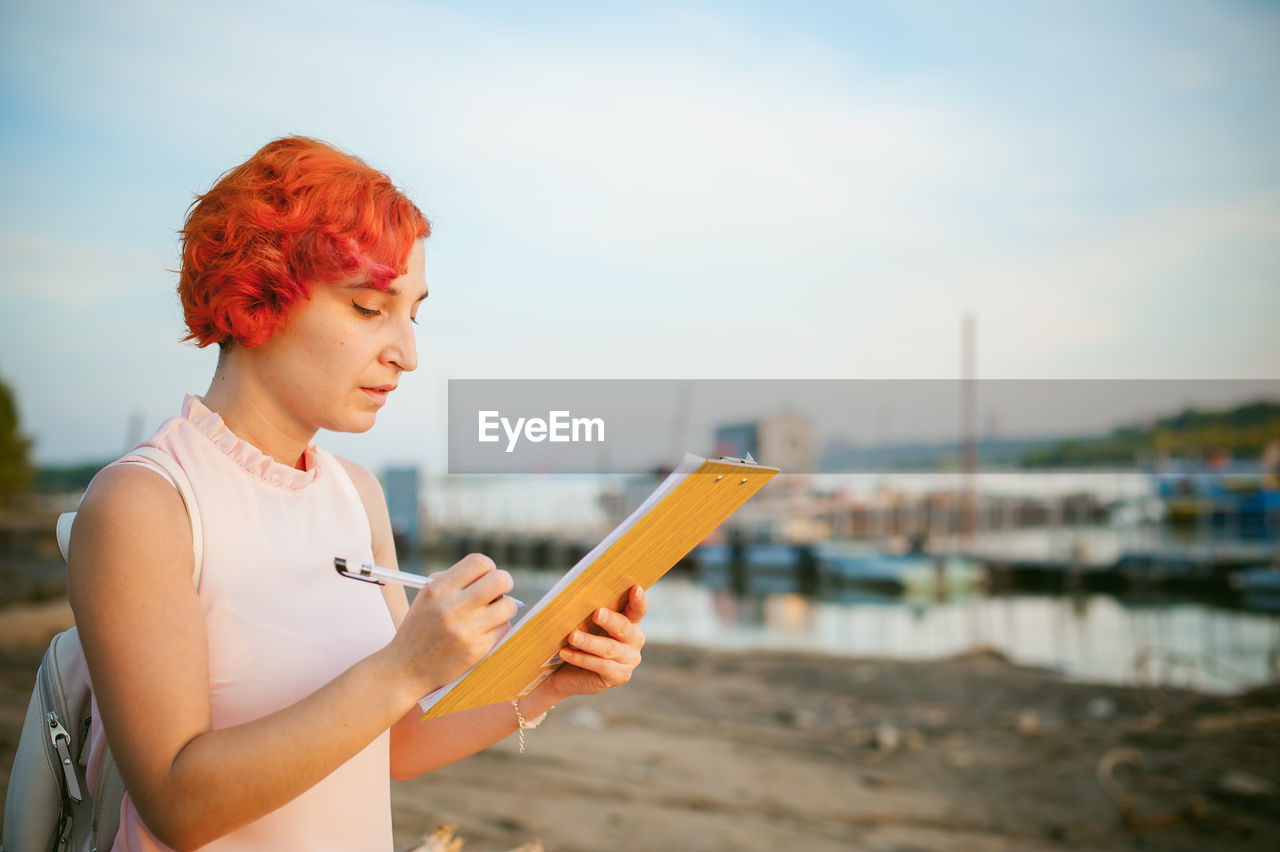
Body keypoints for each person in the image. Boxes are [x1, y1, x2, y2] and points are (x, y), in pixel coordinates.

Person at [67, 136, 647, 852]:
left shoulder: (356, 495)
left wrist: (548, 682)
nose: (407, 352)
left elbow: (397, 744)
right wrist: (404, 665)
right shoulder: (147, 504)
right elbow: (177, 806)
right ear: (260, 295)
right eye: (370, 308)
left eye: (412, 313)